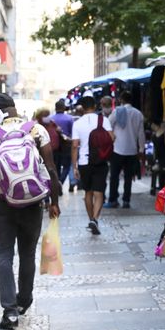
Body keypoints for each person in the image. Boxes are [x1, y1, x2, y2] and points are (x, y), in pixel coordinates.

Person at [0, 94, 61, 330]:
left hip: (1, 201)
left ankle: (10, 311)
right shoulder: (36, 130)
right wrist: (53, 202)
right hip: (32, 201)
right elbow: (51, 169)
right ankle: (24, 300)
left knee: (4, 255)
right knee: (27, 253)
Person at [72, 96, 114, 235]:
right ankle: (95, 219)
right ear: (95, 106)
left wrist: (74, 166)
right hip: (100, 161)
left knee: (88, 192)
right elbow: (112, 137)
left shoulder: (77, 124)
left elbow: (74, 146)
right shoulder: (104, 120)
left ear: (82, 108)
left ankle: (91, 219)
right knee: (99, 192)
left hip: (84, 162)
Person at [105, 91, 145, 209]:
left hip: (117, 149)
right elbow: (141, 133)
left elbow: (108, 125)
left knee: (114, 176)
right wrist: (141, 149)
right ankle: (126, 200)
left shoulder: (117, 111)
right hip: (132, 150)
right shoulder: (138, 114)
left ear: (121, 100)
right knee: (128, 177)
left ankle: (113, 199)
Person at [49, 99, 74, 188]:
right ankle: (61, 181)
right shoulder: (69, 118)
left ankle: (57, 183)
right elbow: (72, 133)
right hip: (66, 145)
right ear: (64, 108)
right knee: (67, 166)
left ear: (55, 108)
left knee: (57, 166)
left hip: (54, 147)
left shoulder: (51, 119)